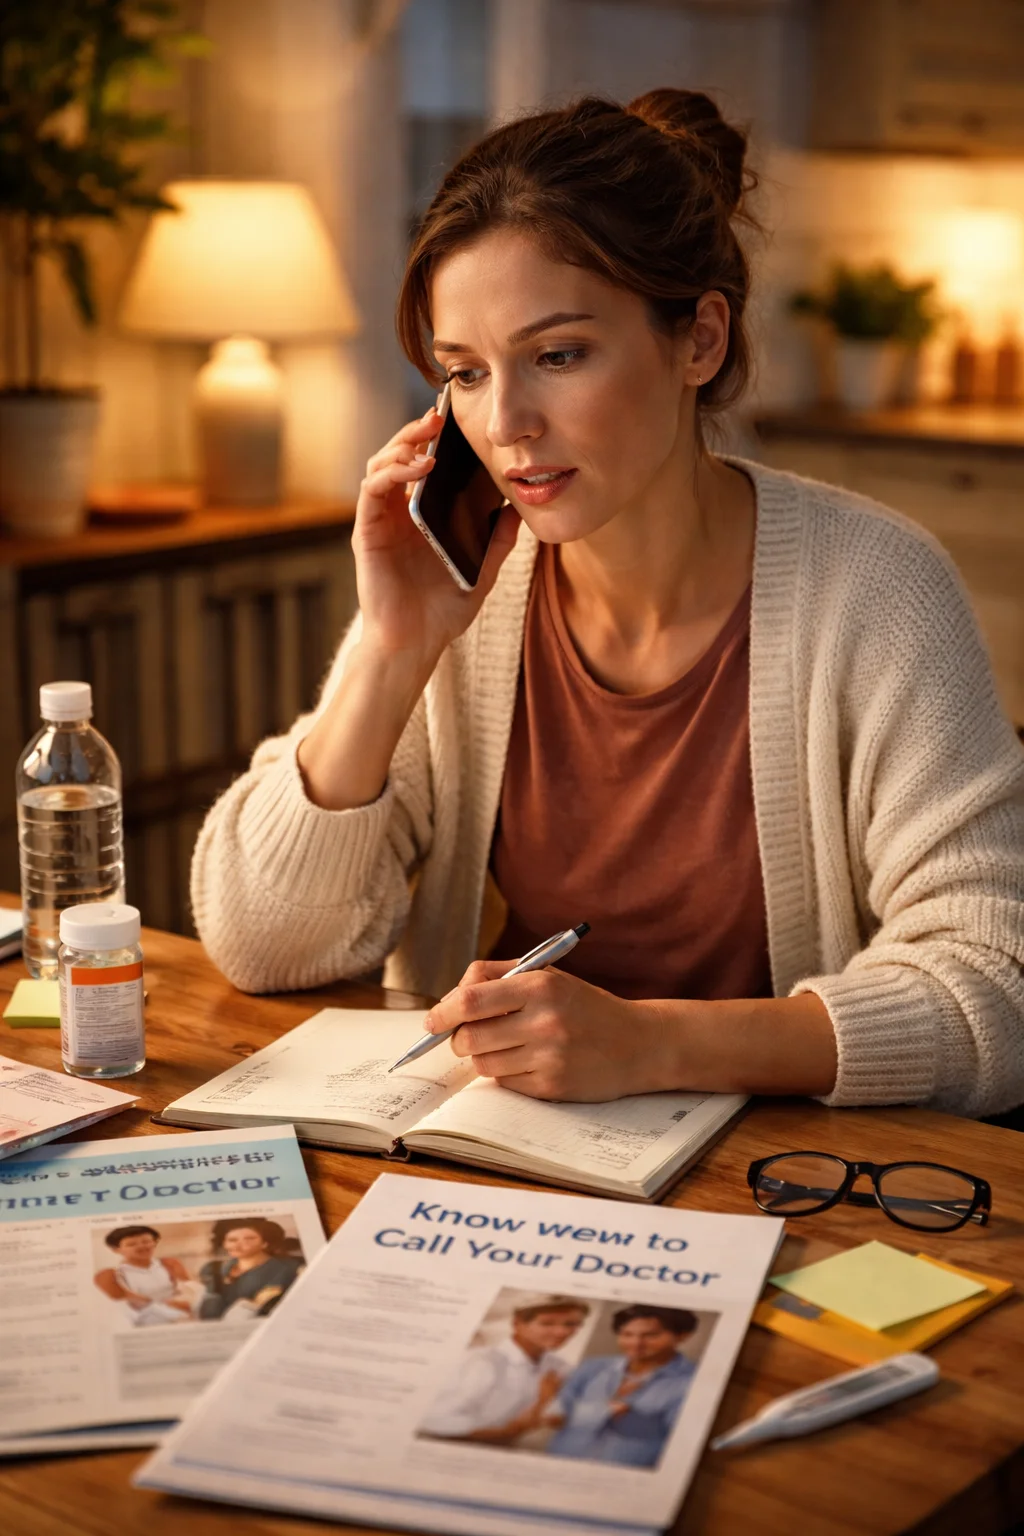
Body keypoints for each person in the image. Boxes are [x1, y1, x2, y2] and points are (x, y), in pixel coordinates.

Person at [191, 88, 1024, 1116]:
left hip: (782, 1173)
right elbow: (261, 945)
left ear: (699, 341)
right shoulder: (465, 593)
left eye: (557, 356)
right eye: (466, 373)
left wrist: (651, 1044)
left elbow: (995, 991)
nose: (507, 423)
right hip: (503, 1150)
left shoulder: (877, 590)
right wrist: (391, 650)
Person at [545, 1305, 699, 1468]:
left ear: (682, 1336)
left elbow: (682, 1442)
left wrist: (586, 1412)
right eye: (627, 1334)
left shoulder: (693, 1383)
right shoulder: (591, 1367)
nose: (636, 1343)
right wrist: (606, 1411)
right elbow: (553, 1417)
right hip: (557, 1465)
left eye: (651, 1335)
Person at [419, 1297, 588, 1444]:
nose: (561, 1332)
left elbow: (560, 1419)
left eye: (571, 1324)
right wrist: (508, 1431)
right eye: (547, 1323)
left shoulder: (561, 1368)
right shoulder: (481, 1362)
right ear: (517, 1324)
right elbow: (435, 1420)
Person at [198, 1217, 304, 1320]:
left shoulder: (287, 1269)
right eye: (232, 1240)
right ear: (224, 1243)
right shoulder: (213, 1269)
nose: (238, 1245)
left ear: (265, 1243)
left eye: (249, 1239)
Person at [94, 1225, 193, 1326]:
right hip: (144, 1323)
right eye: (131, 1244)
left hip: (181, 1317)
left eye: (146, 1242)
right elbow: (134, 1303)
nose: (142, 1246)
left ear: (155, 1243)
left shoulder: (170, 1263)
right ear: (116, 1250)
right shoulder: (113, 1274)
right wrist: (174, 1311)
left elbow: (190, 1289)